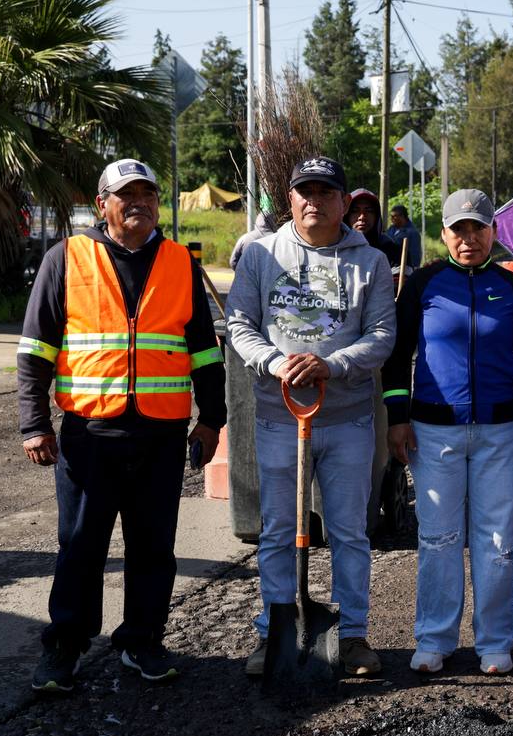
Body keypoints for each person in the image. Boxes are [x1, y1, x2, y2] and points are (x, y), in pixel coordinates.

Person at [20, 158, 226, 691]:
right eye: (124, 194)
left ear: (158, 201)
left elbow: (204, 350)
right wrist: (33, 423)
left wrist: (212, 420)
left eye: (146, 194)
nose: (137, 202)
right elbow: (35, 349)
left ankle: (142, 642)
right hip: (90, 434)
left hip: (160, 434)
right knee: (81, 545)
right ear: (102, 203)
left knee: (154, 545)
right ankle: (65, 647)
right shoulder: (66, 257)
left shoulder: (180, 261)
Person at [226, 155, 396, 678]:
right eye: (305, 192)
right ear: (291, 199)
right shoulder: (260, 256)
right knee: (277, 530)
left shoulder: (369, 263)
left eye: (325, 192)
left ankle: (352, 637)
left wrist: (332, 364)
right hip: (280, 418)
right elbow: (239, 324)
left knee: (349, 531)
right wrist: (279, 363)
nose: (313, 201)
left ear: (344, 203)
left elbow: (382, 335)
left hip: (347, 422)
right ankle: (271, 632)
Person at [383, 189, 513, 676]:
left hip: (500, 431)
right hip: (432, 431)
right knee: (439, 538)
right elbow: (398, 354)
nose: (469, 239)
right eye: (458, 230)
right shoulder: (424, 284)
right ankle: (435, 638)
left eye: (478, 229)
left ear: (493, 232)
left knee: (498, 541)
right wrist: (397, 417)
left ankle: (494, 641)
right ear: (443, 234)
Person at [345, 188, 389, 258]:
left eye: (369, 211)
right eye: (355, 211)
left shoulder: (391, 249)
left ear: (376, 216)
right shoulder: (336, 247)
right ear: (346, 215)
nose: (362, 217)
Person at [385, 204, 422, 272]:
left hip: (405, 270)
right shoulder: (391, 229)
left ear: (402, 216)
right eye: (391, 216)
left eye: (394, 216)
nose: (392, 219)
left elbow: (415, 254)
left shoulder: (412, 232)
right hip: (388, 267)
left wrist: (414, 270)